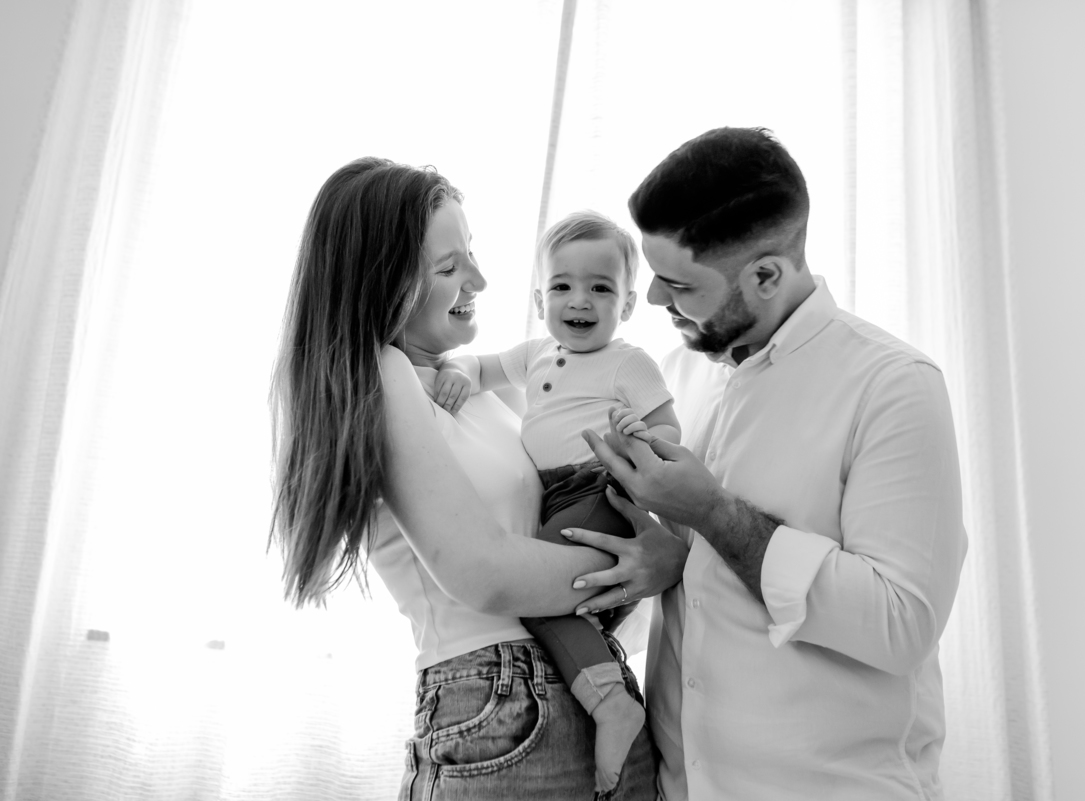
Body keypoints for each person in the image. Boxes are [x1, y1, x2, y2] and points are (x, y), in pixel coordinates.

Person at [569, 128, 969, 800]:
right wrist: (670, 559)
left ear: (766, 276)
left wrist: (711, 513)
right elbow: (705, 600)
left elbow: (901, 623)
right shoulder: (674, 379)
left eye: (679, 283)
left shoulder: (894, 386)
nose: (656, 299)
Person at [268, 158, 680, 800]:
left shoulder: (487, 392)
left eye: (473, 255)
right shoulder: (380, 375)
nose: (481, 280)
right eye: (448, 267)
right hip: (500, 694)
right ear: (384, 282)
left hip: (586, 683)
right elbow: (485, 572)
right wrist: (651, 567)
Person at [432, 210, 681, 792]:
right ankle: (603, 686)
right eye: (563, 286)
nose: (580, 301)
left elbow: (670, 431)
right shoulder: (537, 353)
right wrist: (459, 370)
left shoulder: (629, 363)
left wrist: (639, 436)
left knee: (541, 593)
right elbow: (484, 367)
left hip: (599, 483)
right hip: (558, 496)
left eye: (601, 289)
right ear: (540, 298)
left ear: (627, 305)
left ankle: (611, 704)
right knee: (566, 605)